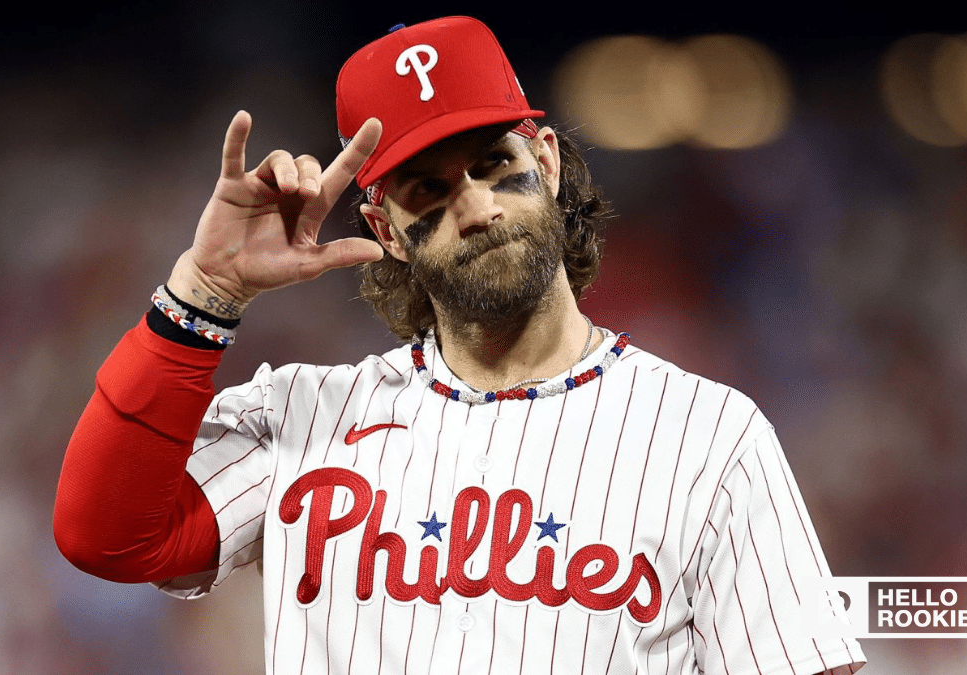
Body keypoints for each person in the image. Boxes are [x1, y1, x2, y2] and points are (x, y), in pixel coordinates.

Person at [55, 16, 866, 675]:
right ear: (385, 230)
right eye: (428, 190)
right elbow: (106, 536)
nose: (475, 207)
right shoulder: (303, 421)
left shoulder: (707, 435)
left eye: (493, 164)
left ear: (545, 161)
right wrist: (207, 289)